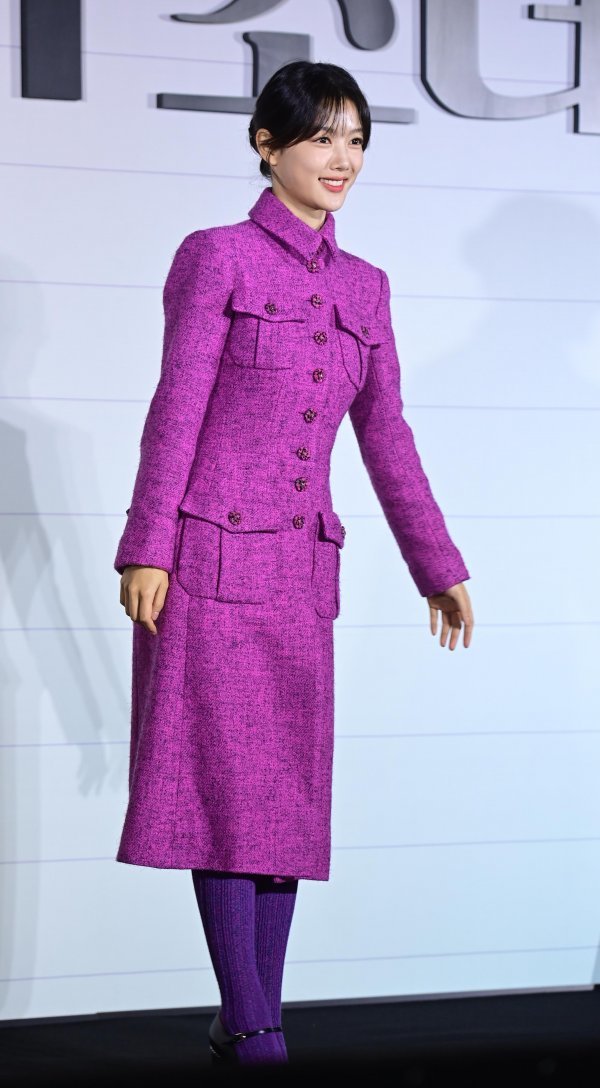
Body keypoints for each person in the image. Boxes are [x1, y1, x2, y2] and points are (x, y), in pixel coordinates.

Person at [114, 60, 474, 1067]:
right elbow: (175, 408)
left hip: (302, 578)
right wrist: (147, 546)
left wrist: (436, 563)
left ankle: (250, 1017)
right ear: (266, 146)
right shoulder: (216, 257)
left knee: (281, 804)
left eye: (355, 139)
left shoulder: (366, 287)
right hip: (205, 567)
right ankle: (256, 1025)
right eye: (321, 137)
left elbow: (386, 435)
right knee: (223, 794)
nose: (342, 158)